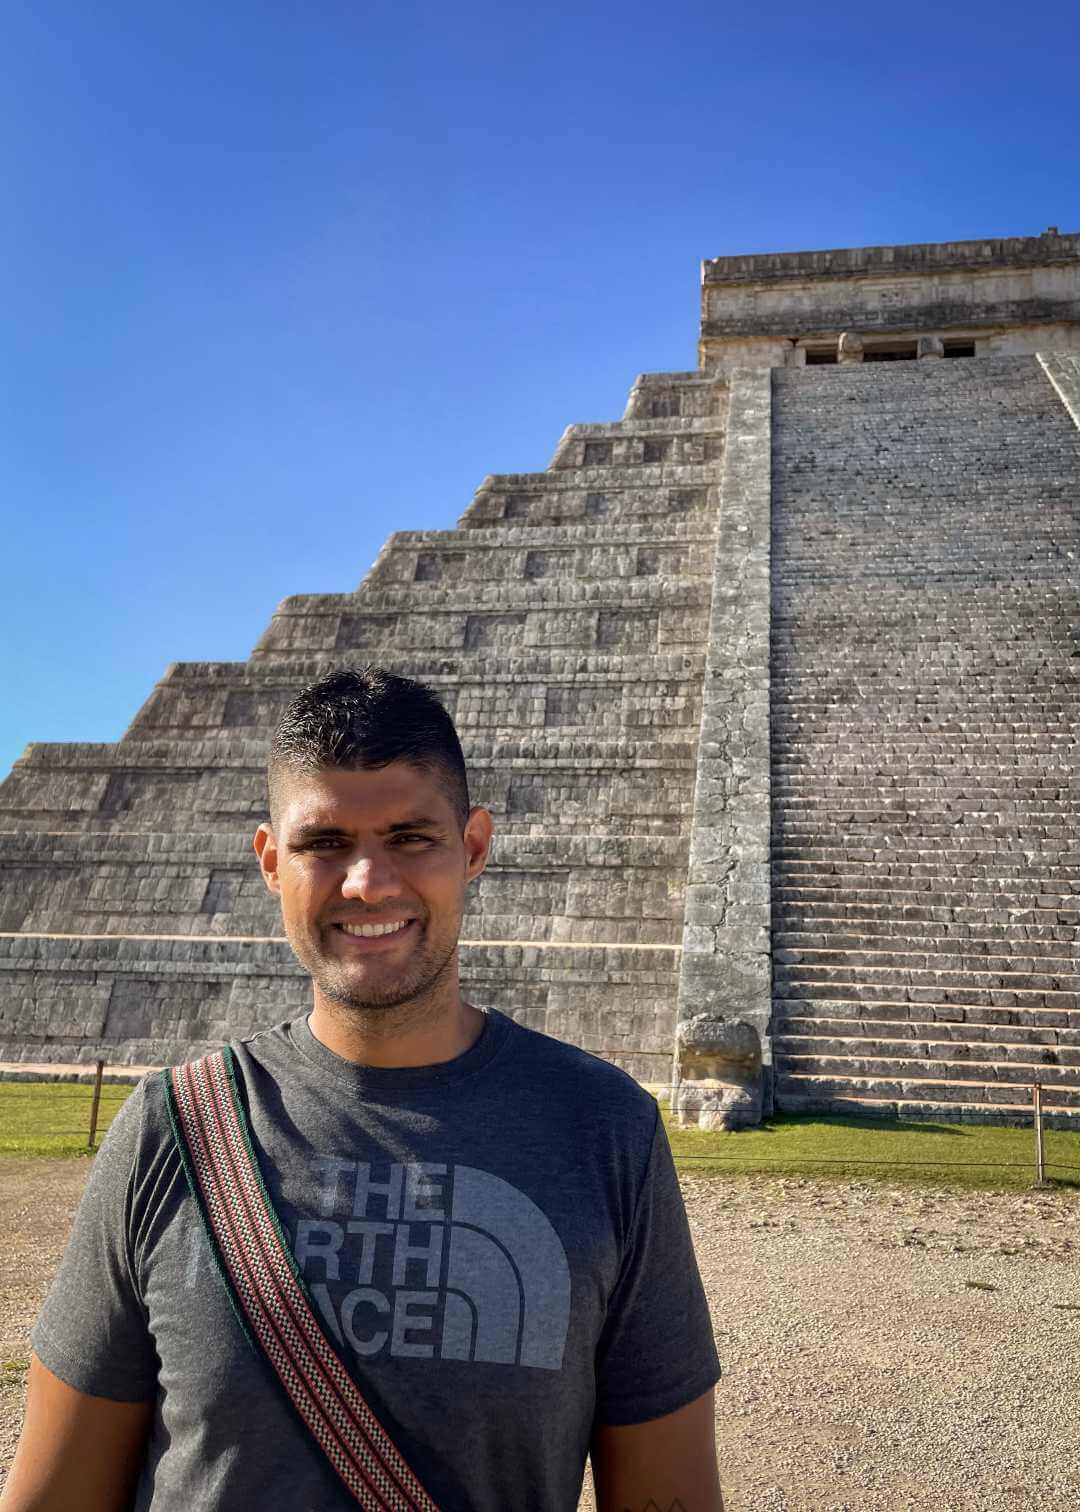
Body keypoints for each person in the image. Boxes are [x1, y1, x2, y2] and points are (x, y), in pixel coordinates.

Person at [4, 666, 723, 1512]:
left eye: (411, 837)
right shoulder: (171, 1131)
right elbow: (54, 1495)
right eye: (325, 843)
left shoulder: (604, 1130)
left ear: (476, 848)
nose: (368, 883)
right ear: (271, 862)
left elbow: (668, 1494)